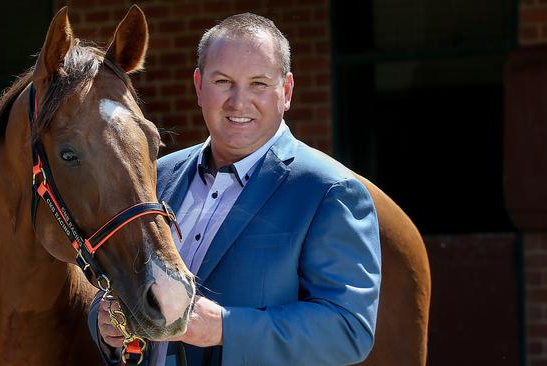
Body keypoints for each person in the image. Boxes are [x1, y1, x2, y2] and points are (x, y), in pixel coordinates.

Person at [89, 12, 381, 366]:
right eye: (223, 81)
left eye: (258, 83)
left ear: (286, 91)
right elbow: (118, 277)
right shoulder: (157, 176)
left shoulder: (329, 191)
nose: (238, 102)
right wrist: (104, 322)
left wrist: (225, 328)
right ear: (199, 86)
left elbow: (349, 330)